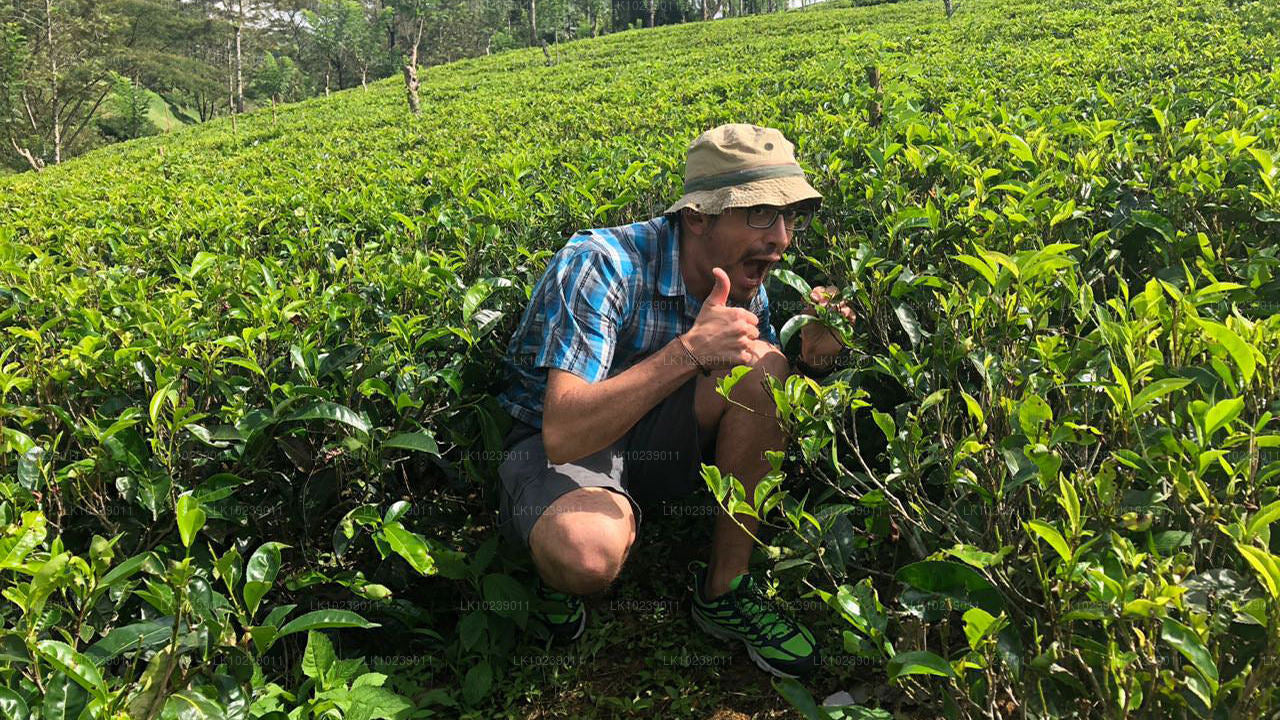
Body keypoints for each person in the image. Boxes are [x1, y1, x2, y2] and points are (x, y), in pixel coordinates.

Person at [494, 123, 855, 679]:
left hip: (657, 436)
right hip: (560, 446)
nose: (781, 238)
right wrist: (689, 352)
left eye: (790, 218)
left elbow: (780, 387)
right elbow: (563, 432)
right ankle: (548, 565)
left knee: (767, 368)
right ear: (697, 217)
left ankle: (724, 592)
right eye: (760, 213)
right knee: (584, 553)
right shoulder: (601, 264)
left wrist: (818, 355)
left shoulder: (754, 276)